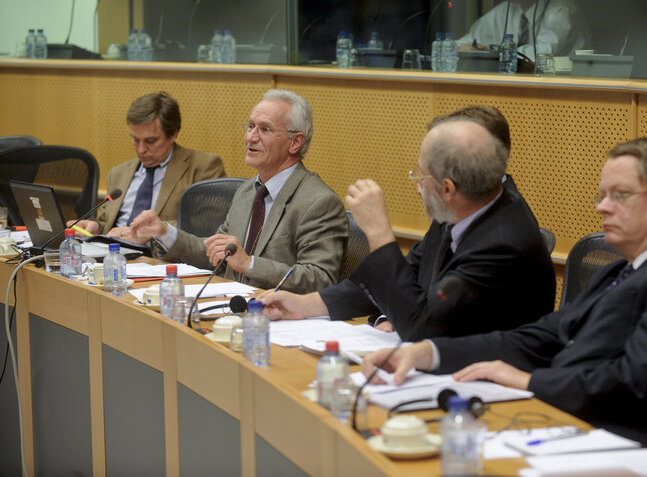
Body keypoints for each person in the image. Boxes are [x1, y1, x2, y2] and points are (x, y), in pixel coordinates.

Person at [362, 138, 647, 451]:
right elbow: (541, 338)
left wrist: (528, 382)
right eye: (602, 194)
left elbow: (638, 381)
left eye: (619, 195)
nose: (601, 206)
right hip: (569, 429)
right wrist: (429, 352)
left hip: (634, 449)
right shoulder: (621, 270)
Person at [259, 114, 555, 340]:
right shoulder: (455, 213)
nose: (417, 189)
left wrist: (379, 234)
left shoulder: (503, 245)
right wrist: (305, 304)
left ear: (448, 188)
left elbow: (423, 328)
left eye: (420, 178)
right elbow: (403, 277)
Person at [130, 89, 348, 293]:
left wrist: (249, 264)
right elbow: (216, 256)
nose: (251, 137)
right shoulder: (247, 191)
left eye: (265, 129)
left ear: (295, 142)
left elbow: (321, 280)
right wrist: (164, 232)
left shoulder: (318, 202)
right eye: (251, 126)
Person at [72, 91, 226, 240]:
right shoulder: (118, 173)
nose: (141, 149)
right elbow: (107, 223)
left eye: (150, 141)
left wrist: (149, 232)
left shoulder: (203, 167)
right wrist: (94, 226)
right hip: (112, 255)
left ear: (173, 134)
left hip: (160, 259)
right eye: (135, 140)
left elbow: (205, 225)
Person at [456, 0, 589, 61]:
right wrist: (460, 50)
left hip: (561, 94)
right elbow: (463, 44)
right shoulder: (503, 11)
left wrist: (491, 54)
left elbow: (540, 54)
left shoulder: (563, 9)